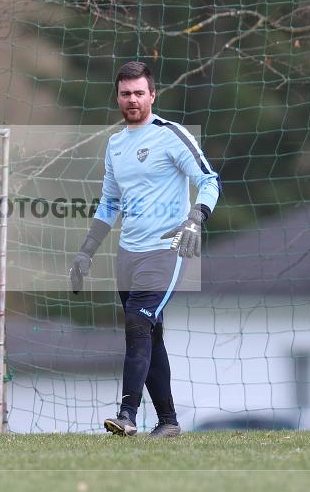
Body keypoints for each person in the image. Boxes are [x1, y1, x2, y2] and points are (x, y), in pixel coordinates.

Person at [69, 61, 221, 437]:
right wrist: (87, 250)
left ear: (153, 95)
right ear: (117, 97)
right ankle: (168, 422)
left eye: (139, 93)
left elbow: (209, 180)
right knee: (149, 334)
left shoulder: (172, 135)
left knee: (138, 323)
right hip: (128, 252)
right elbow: (109, 203)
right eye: (125, 94)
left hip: (168, 248)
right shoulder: (116, 144)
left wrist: (195, 218)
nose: (132, 99)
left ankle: (127, 415)